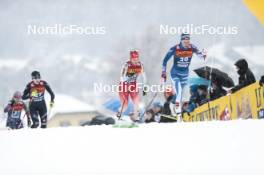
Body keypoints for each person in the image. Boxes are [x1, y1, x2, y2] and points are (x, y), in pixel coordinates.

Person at [161, 33, 206, 116]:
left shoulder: (192, 47)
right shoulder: (175, 48)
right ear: (181, 40)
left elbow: (201, 57)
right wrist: (163, 73)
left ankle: (172, 103)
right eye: (184, 41)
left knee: (179, 93)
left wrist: (204, 54)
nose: (186, 43)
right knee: (179, 91)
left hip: (185, 74)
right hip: (175, 73)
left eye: (187, 41)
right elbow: (164, 60)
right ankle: (178, 115)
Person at [117, 50, 147, 120]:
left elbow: (144, 76)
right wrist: (126, 84)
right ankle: (119, 114)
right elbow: (121, 77)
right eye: (134, 59)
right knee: (125, 105)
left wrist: (144, 87)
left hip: (133, 84)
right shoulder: (126, 65)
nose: (135, 61)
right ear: (131, 59)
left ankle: (136, 117)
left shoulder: (140, 65)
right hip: (124, 85)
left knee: (136, 101)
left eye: (137, 58)